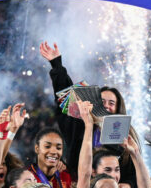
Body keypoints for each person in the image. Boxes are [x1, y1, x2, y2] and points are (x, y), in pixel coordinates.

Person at [39, 41, 128, 174]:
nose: (106, 106)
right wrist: (57, 65)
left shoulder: (123, 133)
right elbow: (67, 95)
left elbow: (130, 168)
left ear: (118, 109)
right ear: (94, 103)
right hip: (79, 186)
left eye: (111, 103)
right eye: (102, 101)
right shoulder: (77, 125)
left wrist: (128, 184)